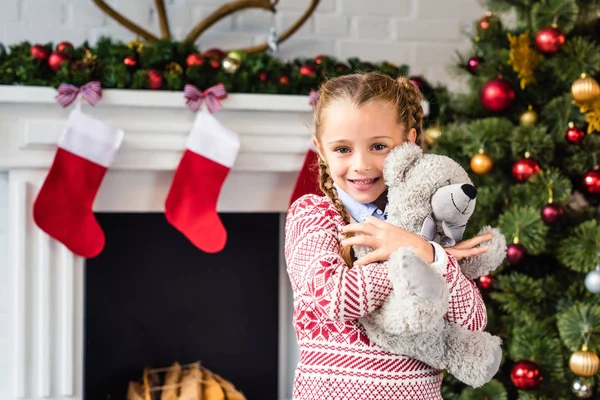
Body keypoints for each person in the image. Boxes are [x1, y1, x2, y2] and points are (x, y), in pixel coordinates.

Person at [284, 72, 494, 400]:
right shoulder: (312, 215)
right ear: (321, 151)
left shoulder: (428, 226)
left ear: (408, 142)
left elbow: (472, 321)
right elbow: (337, 299)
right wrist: (415, 256)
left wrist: (428, 251)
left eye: (379, 146)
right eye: (342, 149)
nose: (361, 164)